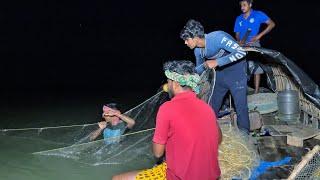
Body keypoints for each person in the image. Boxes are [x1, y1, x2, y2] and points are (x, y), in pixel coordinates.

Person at [112, 60, 222, 180]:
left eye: (168, 81)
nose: (167, 85)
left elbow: (157, 153)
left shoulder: (167, 108)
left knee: (117, 178)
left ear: (174, 83)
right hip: (212, 175)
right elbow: (219, 138)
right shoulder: (206, 107)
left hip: (180, 177)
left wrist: (157, 138)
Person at [180, 19, 250, 133]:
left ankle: (245, 136)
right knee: (212, 105)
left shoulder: (218, 37)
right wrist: (189, 75)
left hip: (236, 72)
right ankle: (209, 132)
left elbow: (242, 52)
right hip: (220, 74)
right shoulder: (198, 51)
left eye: (186, 39)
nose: (185, 43)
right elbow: (201, 69)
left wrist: (217, 61)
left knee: (240, 106)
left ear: (196, 37)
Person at [234, 0, 276, 93]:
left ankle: (256, 91)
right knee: (240, 67)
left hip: (254, 43)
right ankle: (242, 90)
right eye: (241, 5)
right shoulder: (238, 18)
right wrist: (239, 41)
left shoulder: (258, 14)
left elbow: (272, 24)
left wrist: (259, 36)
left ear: (250, 4)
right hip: (242, 45)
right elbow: (237, 33)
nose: (242, 7)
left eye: (244, 5)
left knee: (257, 67)